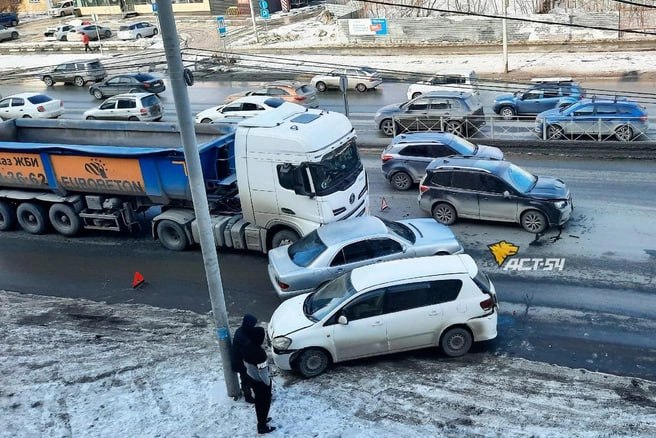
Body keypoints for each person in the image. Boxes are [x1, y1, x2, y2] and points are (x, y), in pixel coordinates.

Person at [243, 327, 275, 435]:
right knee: (264, 403)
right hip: (261, 382)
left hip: (251, 377)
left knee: (258, 402)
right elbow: (263, 372)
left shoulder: (246, 347)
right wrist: (268, 383)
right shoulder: (260, 354)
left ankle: (262, 420)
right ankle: (262, 426)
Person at [231, 314, 258, 404]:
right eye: (253, 324)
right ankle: (248, 397)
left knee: (249, 378)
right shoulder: (242, 337)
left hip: (242, 361)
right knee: (246, 379)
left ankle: (251, 393)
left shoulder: (243, 330)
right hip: (241, 363)